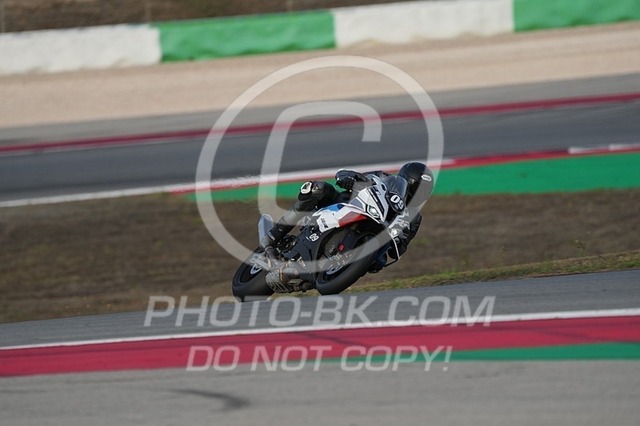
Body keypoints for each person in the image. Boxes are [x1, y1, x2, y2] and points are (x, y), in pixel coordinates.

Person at [260, 162, 434, 271]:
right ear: (406, 179)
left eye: (424, 190)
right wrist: (349, 178)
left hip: (374, 234)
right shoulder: (384, 178)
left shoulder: (414, 218)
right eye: (417, 187)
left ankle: (335, 267)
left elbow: (401, 246)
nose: (419, 193)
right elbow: (359, 177)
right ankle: (274, 236)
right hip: (346, 205)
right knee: (316, 189)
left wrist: (395, 243)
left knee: (378, 261)